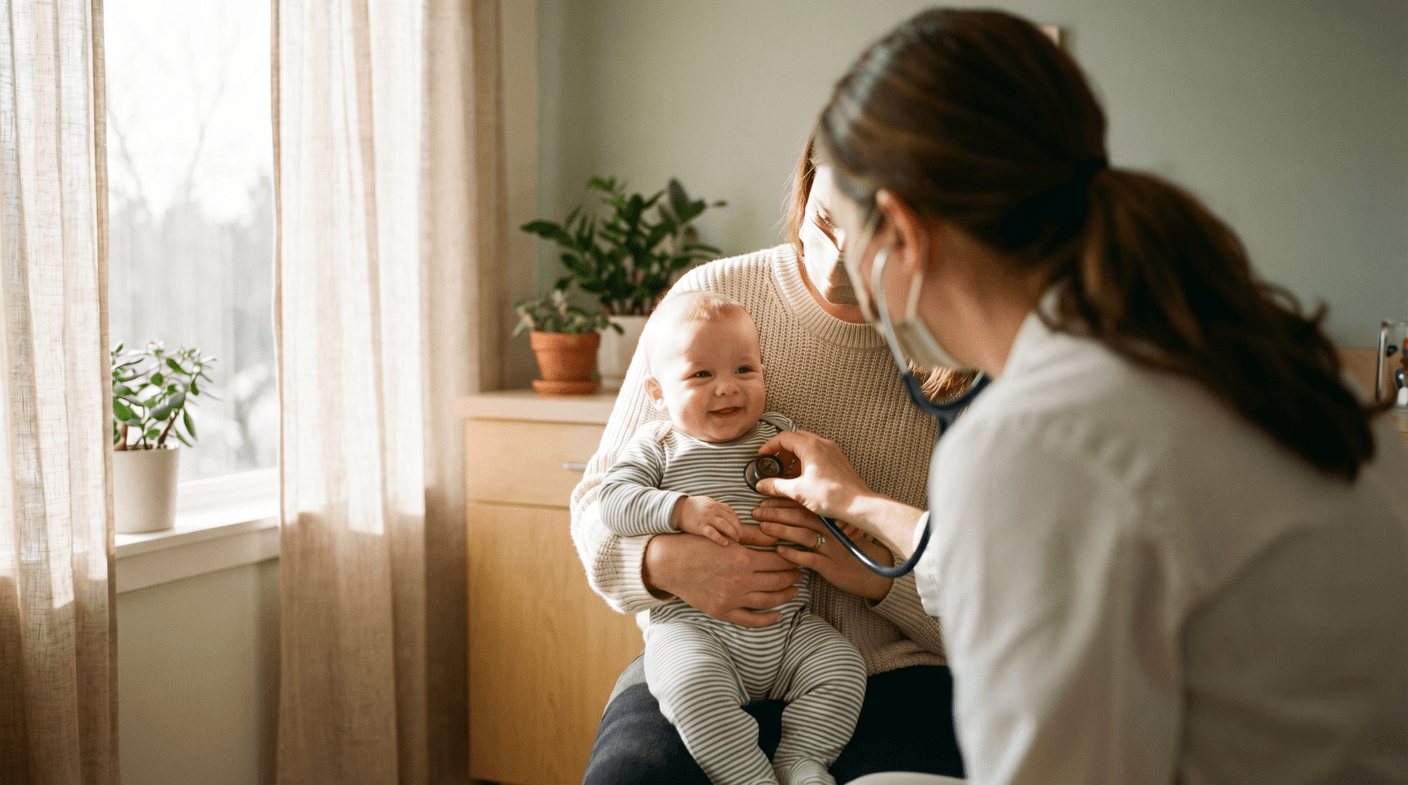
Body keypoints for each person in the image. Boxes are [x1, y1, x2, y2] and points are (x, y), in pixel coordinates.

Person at [754, 9, 1408, 785]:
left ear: (900, 227)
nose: (832, 269)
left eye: (842, 230)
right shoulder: (1219, 360)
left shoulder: (1033, 438)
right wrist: (863, 510)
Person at [570, 133, 973, 783]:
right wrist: (663, 561)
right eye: (826, 222)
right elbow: (596, 506)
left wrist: (875, 575)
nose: (839, 264)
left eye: (874, 243)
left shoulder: (966, 356)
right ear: (808, 178)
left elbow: (1006, 611)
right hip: (702, 641)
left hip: (898, 670)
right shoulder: (711, 300)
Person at [599, 291, 867, 785]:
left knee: (844, 668)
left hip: (788, 629)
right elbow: (611, 501)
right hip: (694, 630)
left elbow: (819, 493)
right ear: (658, 394)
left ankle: (801, 758)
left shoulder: (780, 437)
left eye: (744, 370)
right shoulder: (658, 446)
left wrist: (842, 518)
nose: (727, 389)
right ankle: (749, 778)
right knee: (691, 689)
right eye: (702, 375)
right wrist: (678, 510)